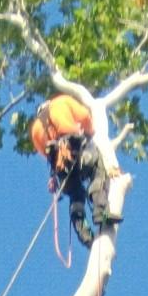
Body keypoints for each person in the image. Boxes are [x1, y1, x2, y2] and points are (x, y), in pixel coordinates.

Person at [30, 93, 111, 249]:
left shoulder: (36, 130)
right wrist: (89, 131)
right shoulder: (61, 102)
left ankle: (84, 234)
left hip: (61, 166)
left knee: (75, 195)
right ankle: (101, 212)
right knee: (97, 173)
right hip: (79, 148)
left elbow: (45, 154)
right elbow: (85, 116)